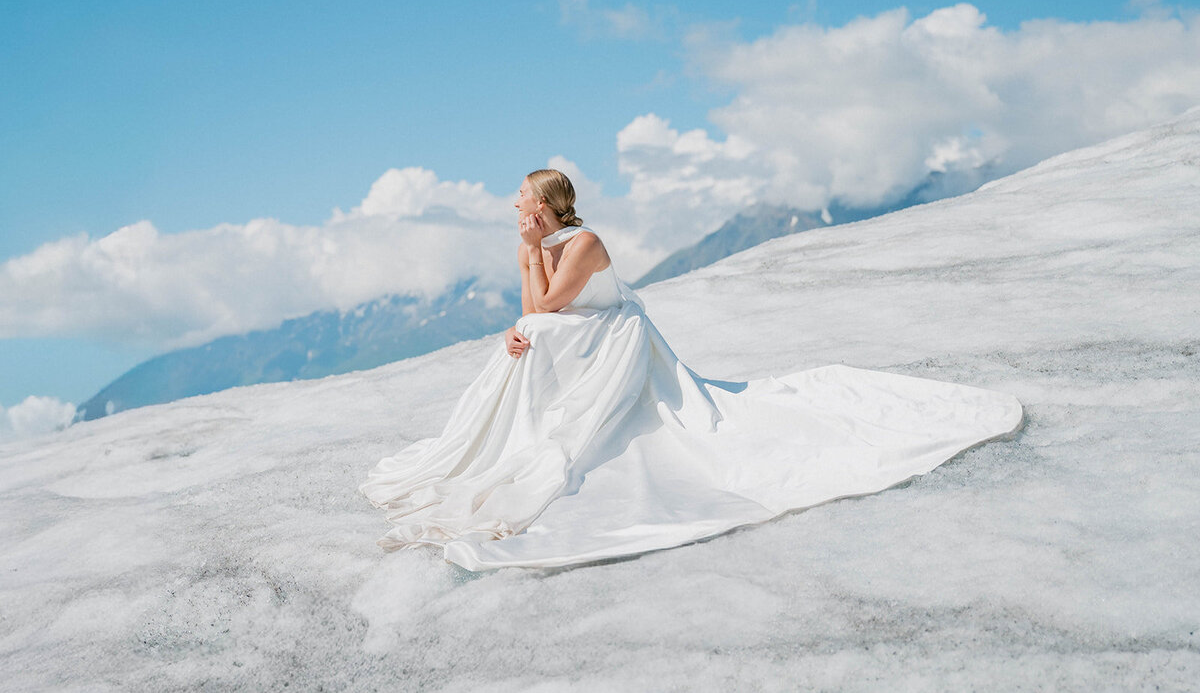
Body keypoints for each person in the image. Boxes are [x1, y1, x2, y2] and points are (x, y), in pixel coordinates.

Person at [360, 169, 1022, 571]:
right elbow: (536, 310)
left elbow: (552, 303)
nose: (514, 206)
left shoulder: (585, 242)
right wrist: (527, 262)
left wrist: (532, 265)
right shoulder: (541, 243)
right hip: (579, 341)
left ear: (547, 203)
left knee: (535, 333)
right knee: (527, 336)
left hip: (614, 342)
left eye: (522, 198)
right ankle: (508, 444)